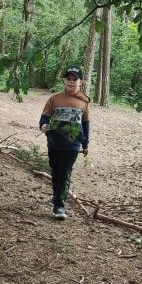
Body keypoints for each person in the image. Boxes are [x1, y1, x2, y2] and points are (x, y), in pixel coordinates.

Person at [40, 66, 90, 219]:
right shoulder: (54, 98)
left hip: (72, 144)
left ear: (80, 82)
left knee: (64, 172)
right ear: (65, 81)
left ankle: (59, 206)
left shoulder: (84, 102)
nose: (71, 82)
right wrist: (43, 125)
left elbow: (85, 124)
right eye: (69, 79)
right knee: (55, 171)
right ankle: (57, 196)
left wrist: (85, 144)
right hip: (54, 141)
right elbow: (45, 116)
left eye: (75, 79)